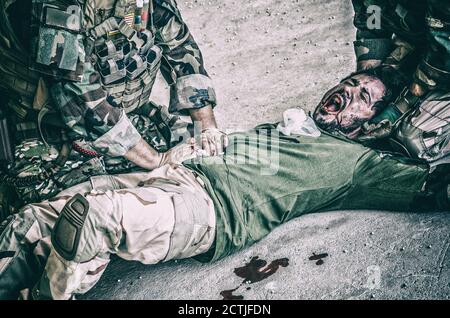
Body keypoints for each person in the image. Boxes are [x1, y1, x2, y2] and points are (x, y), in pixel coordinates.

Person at [0, 66, 448, 300]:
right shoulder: (293, 125)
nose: (348, 92)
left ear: (373, 122)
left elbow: (432, 188)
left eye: (363, 97)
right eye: (349, 84)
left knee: (91, 219)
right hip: (171, 174)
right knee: (30, 222)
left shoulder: (359, 162)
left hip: (209, 210)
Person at [0, 0, 227, 218]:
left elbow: (180, 47)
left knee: (208, 157)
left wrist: (205, 127)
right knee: (60, 212)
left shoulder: (137, 4)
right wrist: (158, 160)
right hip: (48, 137)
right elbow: (80, 97)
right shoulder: (54, 6)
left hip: (127, 119)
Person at [350, 0, 450, 162]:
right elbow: (372, 17)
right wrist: (367, 77)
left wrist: (400, 107)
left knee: (414, 140)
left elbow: (443, 51)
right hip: (429, 47)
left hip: (443, 59)